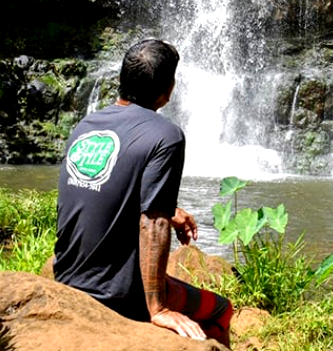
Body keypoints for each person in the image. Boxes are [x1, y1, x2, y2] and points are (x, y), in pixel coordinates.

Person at [54, 38, 233, 347]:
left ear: (122, 79)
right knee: (221, 310)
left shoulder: (86, 126)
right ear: (167, 90)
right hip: (119, 294)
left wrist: (170, 209)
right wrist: (158, 308)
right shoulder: (166, 136)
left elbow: (103, 189)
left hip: (67, 280)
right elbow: (153, 223)